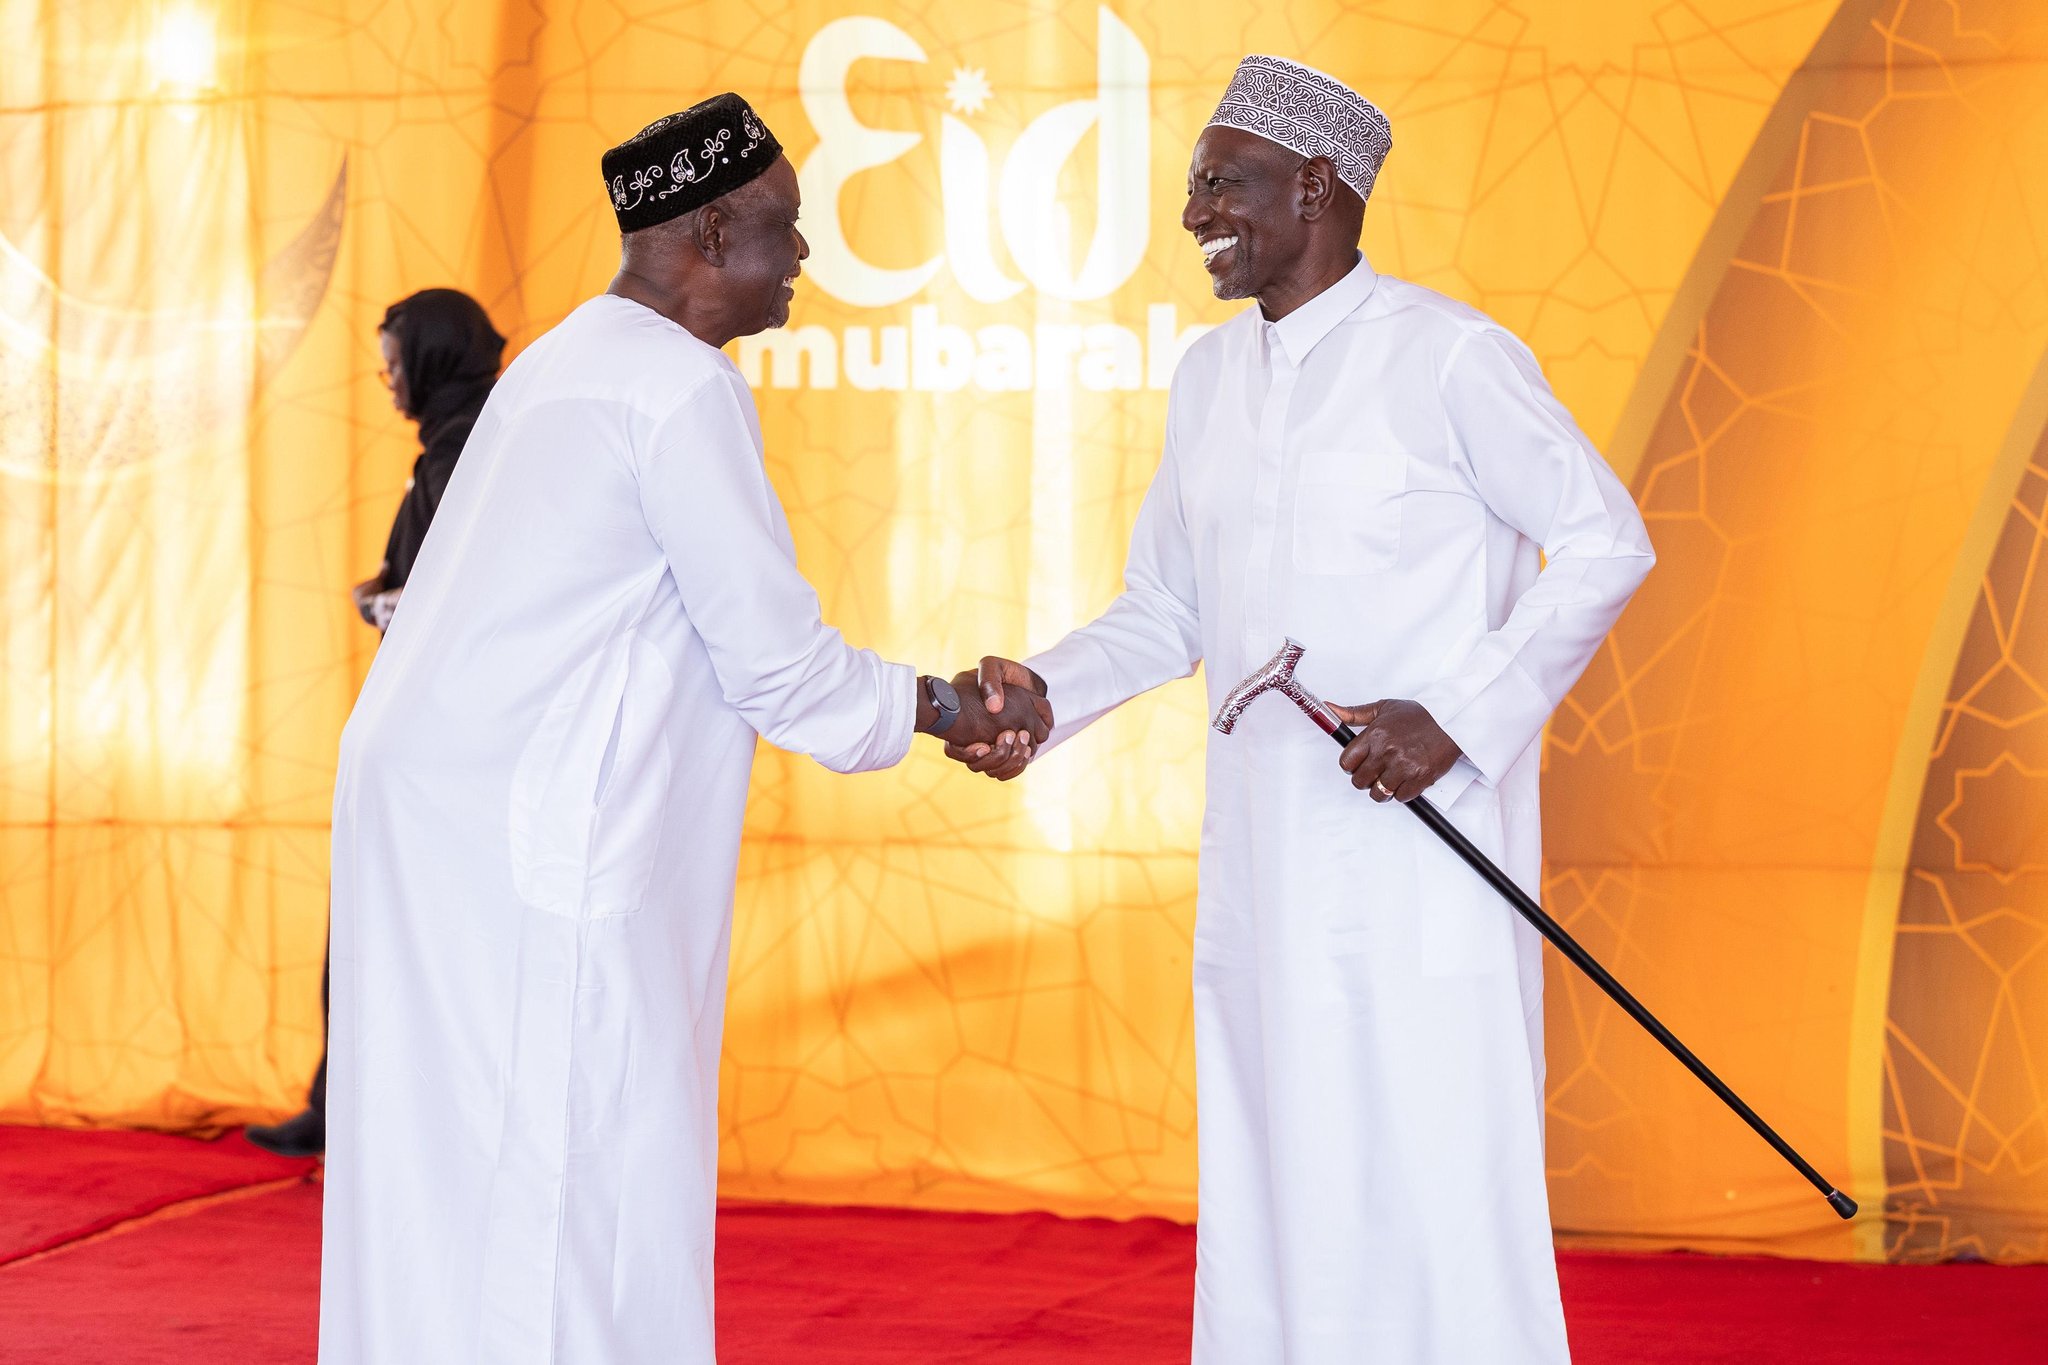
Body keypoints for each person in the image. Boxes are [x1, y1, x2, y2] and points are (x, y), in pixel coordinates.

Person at [317, 93, 1048, 1364]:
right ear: (711, 232)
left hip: (448, 829)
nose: (805, 259)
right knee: (566, 1180)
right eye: (785, 230)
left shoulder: (565, 357)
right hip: (540, 852)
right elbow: (781, 669)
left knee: (448, 1178)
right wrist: (948, 708)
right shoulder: (674, 388)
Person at [957, 56, 1655, 1363]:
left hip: (1417, 862)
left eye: (1221, 182)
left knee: (1433, 1175)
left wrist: (1457, 712)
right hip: (1267, 867)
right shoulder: (1211, 380)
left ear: (1319, 185)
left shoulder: (1450, 356)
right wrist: (1047, 694)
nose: (1191, 214)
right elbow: (1167, 606)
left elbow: (1606, 541)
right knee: (1279, 1179)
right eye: (1194, 184)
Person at [247, 288, 505, 1160]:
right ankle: (345, 1102)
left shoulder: (467, 453)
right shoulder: (461, 445)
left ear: (432, 362)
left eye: (396, 366)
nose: (387, 383)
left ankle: (366, 1114)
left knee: (389, 930)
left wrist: (389, 604)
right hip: (445, 743)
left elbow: (460, 607)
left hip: (448, 748)